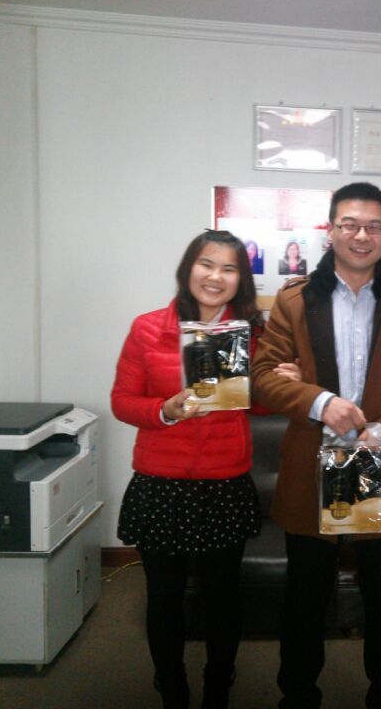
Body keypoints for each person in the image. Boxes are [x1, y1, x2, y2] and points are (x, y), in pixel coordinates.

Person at [251, 182, 381, 709]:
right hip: (311, 469)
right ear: (330, 230)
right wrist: (319, 402)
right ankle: (297, 696)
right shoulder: (294, 300)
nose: (362, 236)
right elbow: (263, 377)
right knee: (305, 599)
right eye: (351, 225)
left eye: (374, 227)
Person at [111, 229, 299, 709]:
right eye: (206, 264)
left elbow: (260, 408)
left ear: (240, 280)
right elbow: (122, 401)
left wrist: (280, 382)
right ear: (188, 269)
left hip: (223, 482)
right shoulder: (147, 328)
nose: (215, 277)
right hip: (160, 483)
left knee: (222, 596)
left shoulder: (253, 336)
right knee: (164, 597)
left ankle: (219, 683)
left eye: (228, 268)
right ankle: (171, 685)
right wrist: (164, 409)